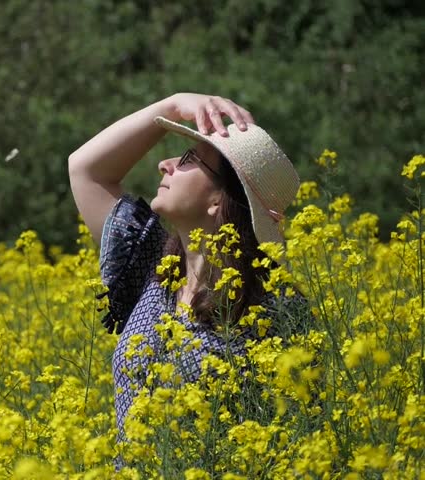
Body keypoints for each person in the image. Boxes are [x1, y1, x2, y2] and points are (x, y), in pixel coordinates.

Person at [67, 93, 310, 457]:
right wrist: (172, 106)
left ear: (218, 200)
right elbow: (85, 169)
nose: (165, 164)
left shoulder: (277, 313)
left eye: (188, 159)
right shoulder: (153, 268)